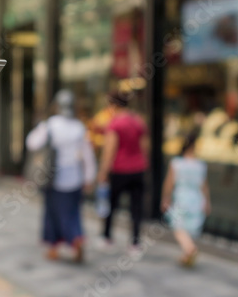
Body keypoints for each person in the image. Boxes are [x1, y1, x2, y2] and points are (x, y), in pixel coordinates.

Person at [25, 89, 96, 262]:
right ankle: (76, 237)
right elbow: (88, 156)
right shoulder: (79, 127)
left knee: (53, 214)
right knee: (73, 213)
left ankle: (56, 247)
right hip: (75, 178)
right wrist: (89, 177)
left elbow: (32, 143)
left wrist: (41, 127)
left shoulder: (50, 125)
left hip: (54, 179)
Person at [97, 91, 149, 253]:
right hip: (138, 169)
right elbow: (145, 146)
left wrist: (103, 172)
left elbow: (109, 150)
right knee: (136, 207)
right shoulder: (139, 121)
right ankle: (134, 242)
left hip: (119, 170)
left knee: (111, 205)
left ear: (113, 105)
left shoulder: (114, 124)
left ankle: (107, 237)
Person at [161, 129, 211, 267]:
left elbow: (169, 183)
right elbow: (204, 186)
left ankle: (189, 249)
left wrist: (165, 198)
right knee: (188, 228)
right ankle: (186, 254)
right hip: (196, 198)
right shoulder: (200, 165)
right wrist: (207, 201)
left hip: (182, 197)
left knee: (178, 227)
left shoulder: (177, 163)